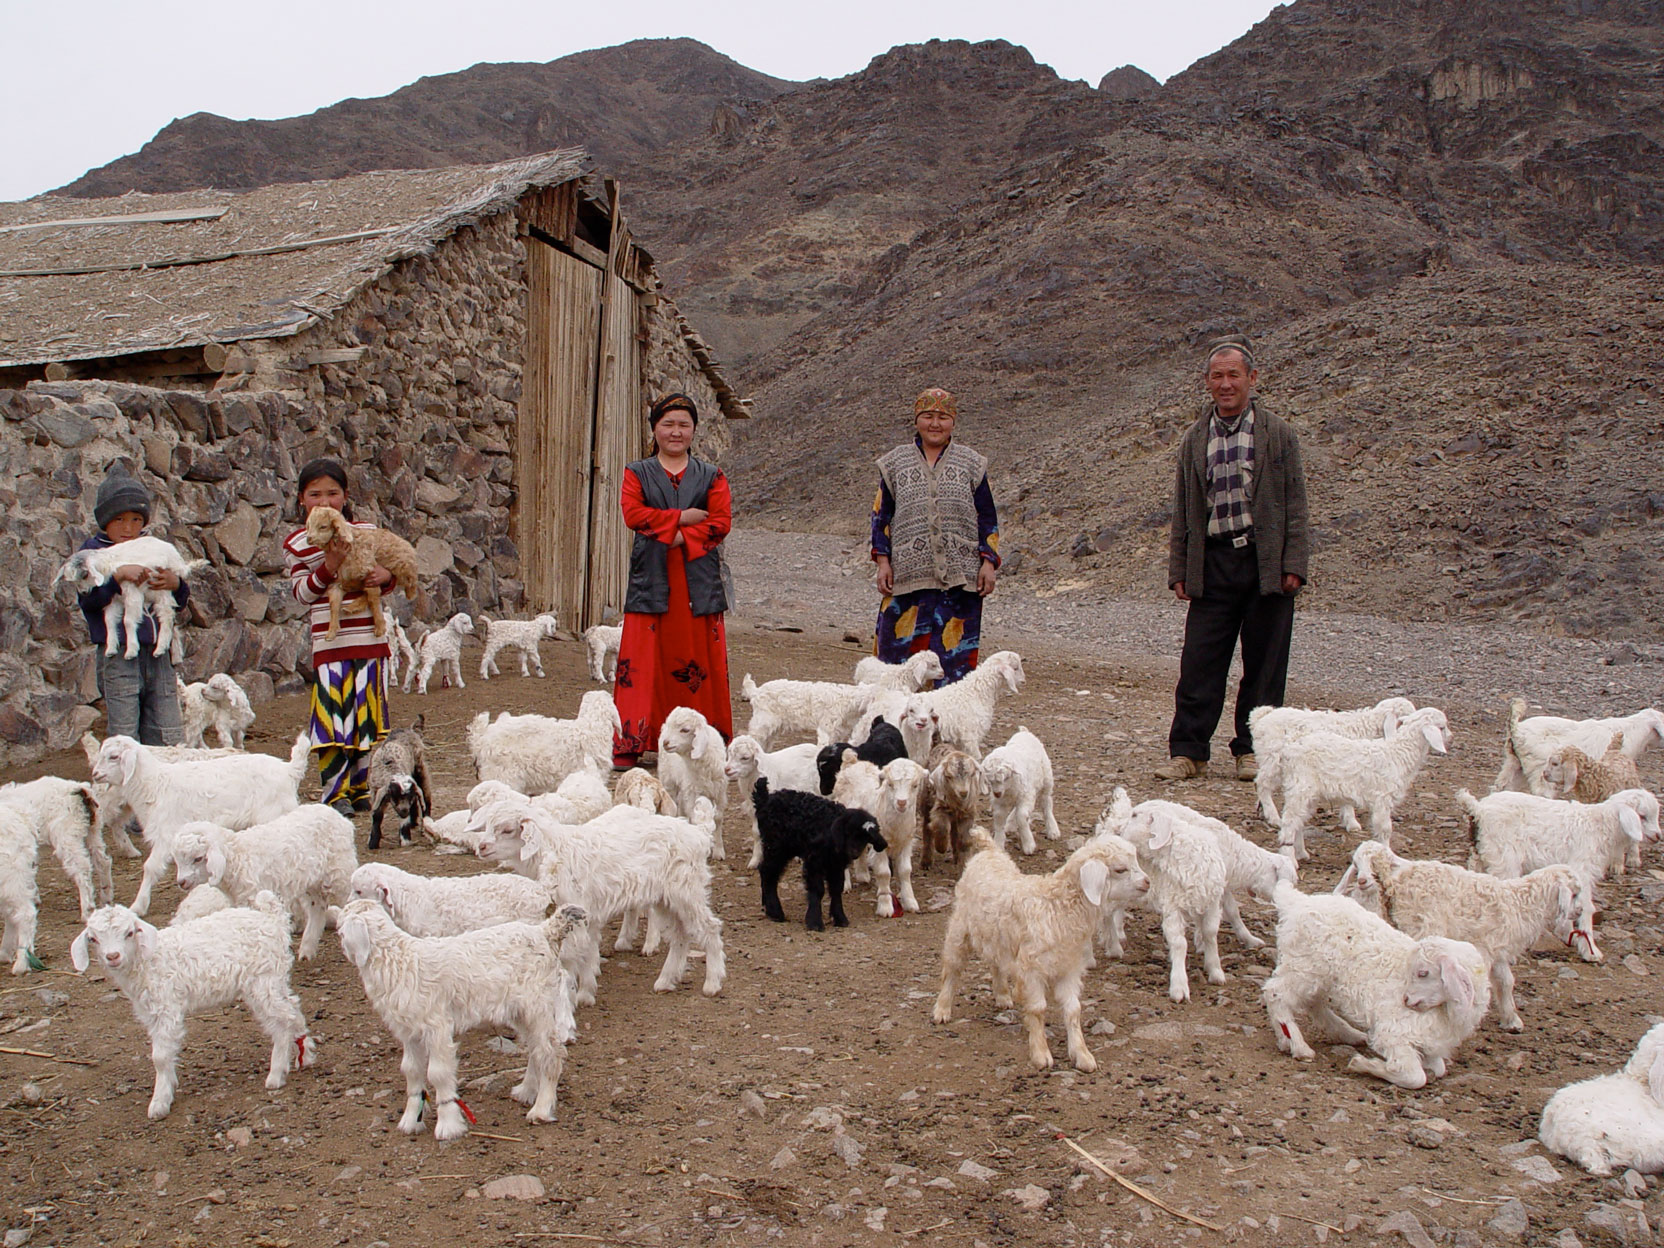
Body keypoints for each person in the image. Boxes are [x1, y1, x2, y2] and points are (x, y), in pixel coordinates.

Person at [1157, 337, 1309, 782]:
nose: (1226, 384)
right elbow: (1184, 509)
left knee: (1265, 664)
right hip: (1213, 561)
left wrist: (1293, 563)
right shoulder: (1194, 438)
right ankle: (1189, 751)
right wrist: (1180, 570)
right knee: (1200, 662)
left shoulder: (1277, 433)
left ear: (1252, 379)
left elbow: (1296, 502)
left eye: (1234, 375)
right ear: (1207, 382)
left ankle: (1252, 750)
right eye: (1217, 376)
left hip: (1266, 562)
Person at [612, 393, 733, 769]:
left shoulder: (712, 475)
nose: (676, 432)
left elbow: (720, 522)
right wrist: (683, 518)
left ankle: (704, 742)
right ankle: (632, 742)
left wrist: (675, 535)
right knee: (644, 659)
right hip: (652, 577)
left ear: (694, 429)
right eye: (668, 424)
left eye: (683, 424)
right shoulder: (637, 472)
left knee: (695, 657)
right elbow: (633, 513)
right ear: (655, 429)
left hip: (696, 580)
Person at [283, 458, 395, 815]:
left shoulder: (366, 532)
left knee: (364, 716)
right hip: (331, 645)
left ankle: (360, 787)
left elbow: (389, 569)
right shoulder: (299, 544)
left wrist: (384, 575)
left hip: (369, 639)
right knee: (333, 718)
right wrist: (328, 566)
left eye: (332, 493)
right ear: (302, 499)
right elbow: (301, 593)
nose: (324, 501)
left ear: (345, 496)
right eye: (315, 494)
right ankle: (334, 791)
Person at [870, 387, 999, 685]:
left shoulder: (972, 464)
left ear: (953, 422)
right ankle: (891, 725)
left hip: (961, 578)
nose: (935, 424)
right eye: (928, 416)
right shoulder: (894, 463)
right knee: (895, 662)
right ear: (917, 420)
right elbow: (880, 518)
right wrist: (883, 562)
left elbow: (988, 517)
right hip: (906, 577)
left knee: (954, 665)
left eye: (943, 417)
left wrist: (988, 562)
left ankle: (946, 726)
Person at [76, 462, 190, 745]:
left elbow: (178, 601)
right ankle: (126, 786)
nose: (128, 528)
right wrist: (115, 578)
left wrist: (176, 585)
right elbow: (89, 600)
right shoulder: (93, 554)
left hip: (158, 656)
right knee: (125, 732)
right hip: (119, 656)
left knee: (166, 727)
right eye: (120, 520)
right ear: (104, 521)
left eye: (136, 520)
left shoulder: (151, 548)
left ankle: (162, 783)